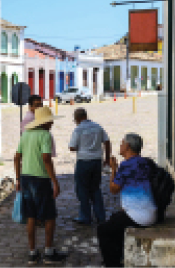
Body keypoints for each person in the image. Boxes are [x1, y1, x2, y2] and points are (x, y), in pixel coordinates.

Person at [14, 106, 68, 265]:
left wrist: (18, 178)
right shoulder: (45, 135)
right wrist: (55, 181)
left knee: (31, 216)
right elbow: (46, 158)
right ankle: (49, 252)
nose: (51, 123)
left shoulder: (25, 135)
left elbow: (17, 157)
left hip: (26, 179)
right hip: (41, 180)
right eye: (50, 120)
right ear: (44, 122)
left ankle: (32, 252)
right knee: (50, 216)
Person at [97, 133, 158, 268]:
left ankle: (111, 264)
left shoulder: (127, 165)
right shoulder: (145, 162)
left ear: (128, 146)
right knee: (115, 219)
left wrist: (114, 169)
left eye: (122, 143)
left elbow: (114, 189)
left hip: (139, 216)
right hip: (151, 212)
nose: (120, 145)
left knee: (103, 230)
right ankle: (118, 257)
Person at [68, 108, 111, 225]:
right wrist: (107, 158)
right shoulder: (98, 127)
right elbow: (107, 141)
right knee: (96, 189)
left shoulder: (78, 130)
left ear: (77, 119)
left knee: (82, 190)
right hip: (97, 161)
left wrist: (82, 147)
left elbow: (72, 147)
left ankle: (85, 217)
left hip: (84, 162)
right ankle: (100, 216)